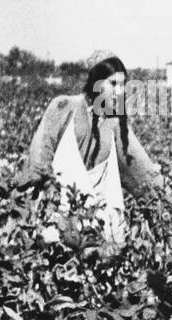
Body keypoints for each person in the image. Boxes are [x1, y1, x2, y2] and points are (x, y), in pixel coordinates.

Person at [14, 50, 163, 243]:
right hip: (58, 218)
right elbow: (40, 157)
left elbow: (142, 172)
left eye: (123, 85)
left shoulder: (116, 124)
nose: (120, 91)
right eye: (113, 84)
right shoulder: (64, 107)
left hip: (100, 227)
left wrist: (164, 208)